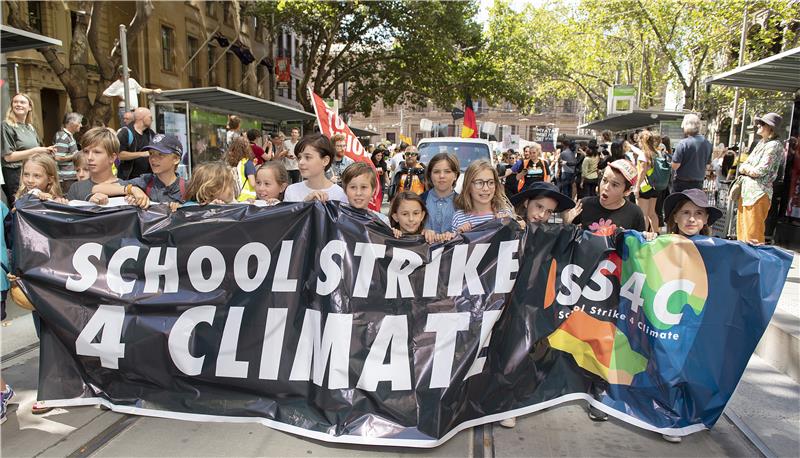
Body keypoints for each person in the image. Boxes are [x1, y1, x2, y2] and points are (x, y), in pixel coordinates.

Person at [91, 134, 186, 205]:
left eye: (161, 154)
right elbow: (97, 188)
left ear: (176, 159)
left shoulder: (188, 187)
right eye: (151, 153)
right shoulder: (145, 181)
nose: (153, 159)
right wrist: (132, 189)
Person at [736, 112, 784, 243]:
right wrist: (746, 169)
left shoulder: (774, 145)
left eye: (762, 123)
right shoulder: (761, 143)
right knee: (743, 231)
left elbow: (760, 170)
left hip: (759, 193)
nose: (758, 125)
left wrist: (746, 169)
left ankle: (755, 262)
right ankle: (744, 261)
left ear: (770, 128)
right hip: (748, 192)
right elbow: (745, 164)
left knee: (753, 233)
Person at [2, 93, 57, 205]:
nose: (18, 104)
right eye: (15, 102)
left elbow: (37, 148)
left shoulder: (30, 127)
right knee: (20, 206)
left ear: (30, 107)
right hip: (15, 173)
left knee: (35, 204)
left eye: (22, 102)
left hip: (33, 171)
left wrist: (46, 150)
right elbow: (8, 157)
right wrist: (37, 150)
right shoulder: (6, 125)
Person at [566, 159, 646, 234]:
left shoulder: (635, 213)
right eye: (604, 180)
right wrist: (566, 220)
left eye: (614, 185)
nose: (606, 187)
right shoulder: (585, 204)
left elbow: (640, 244)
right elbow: (565, 229)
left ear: (627, 191)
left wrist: (647, 237)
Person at [451, 160, 513, 233]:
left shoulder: (505, 212)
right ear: (468, 186)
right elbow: (455, 243)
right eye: (479, 183)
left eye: (491, 182)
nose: (486, 188)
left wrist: (508, 225)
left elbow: (513, 240)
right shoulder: (459, 218)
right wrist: (459, 235)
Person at [283, 133, 348, 203]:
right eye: (299, 157)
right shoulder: (291, 191)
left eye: (308, 157)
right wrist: (305, 204)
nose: (301, 162)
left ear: (325, 161)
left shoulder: (340, 194)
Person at [66, 127, 121, 204]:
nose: (89, 157)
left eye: (97, 152)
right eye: (86, 152)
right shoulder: (76, 188)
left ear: (112, 157)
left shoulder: (126, 187)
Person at [671, 113, 712, 192]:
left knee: (679, 203)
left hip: (682, 182)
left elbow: (675, 166)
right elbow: (708, 166)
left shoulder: (683, 143)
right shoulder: (708, 144)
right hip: (699, 182)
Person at [422, 152, 459, 235]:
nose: (442, 176)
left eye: (447, 171)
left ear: (455, 175)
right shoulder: (419, 200)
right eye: (436, 172)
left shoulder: (463, 203)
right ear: (430, 175)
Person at [117, 107, 156, 180]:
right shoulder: (126, 133)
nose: (152, 120)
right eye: (150, 117)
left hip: (148, 180)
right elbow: (119, 155)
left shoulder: (151, 134)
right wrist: (142, 154)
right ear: (141, 118)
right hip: (129, 180)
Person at [511, 181, 576, 224]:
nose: (542, 215)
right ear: (526, 203)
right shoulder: (509, 227)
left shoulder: (545, 232)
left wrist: (567, 224)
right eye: (539, 207)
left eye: (549, 211)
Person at [634, 130, 661, 232]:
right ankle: (656, 233)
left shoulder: (643, 154)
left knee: (643, 214)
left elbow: (642, 171)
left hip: (645, 186)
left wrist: (637, 187)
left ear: (642, 141)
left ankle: (643, 236)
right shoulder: (657, 153)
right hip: (655, 186)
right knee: (652, 213)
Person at [52, 112, 82, 192]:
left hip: (70, 177)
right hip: (66, 178)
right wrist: (76, 155)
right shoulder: (63, 136)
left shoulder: (68, 136)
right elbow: (58, 157)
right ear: (71, 123)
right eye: (79, 122)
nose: (81, 125)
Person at [225, 136, 257, 202]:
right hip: (248, 199)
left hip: (236, 197)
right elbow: (252, 183)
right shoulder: (248, 163)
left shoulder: (234, 163)